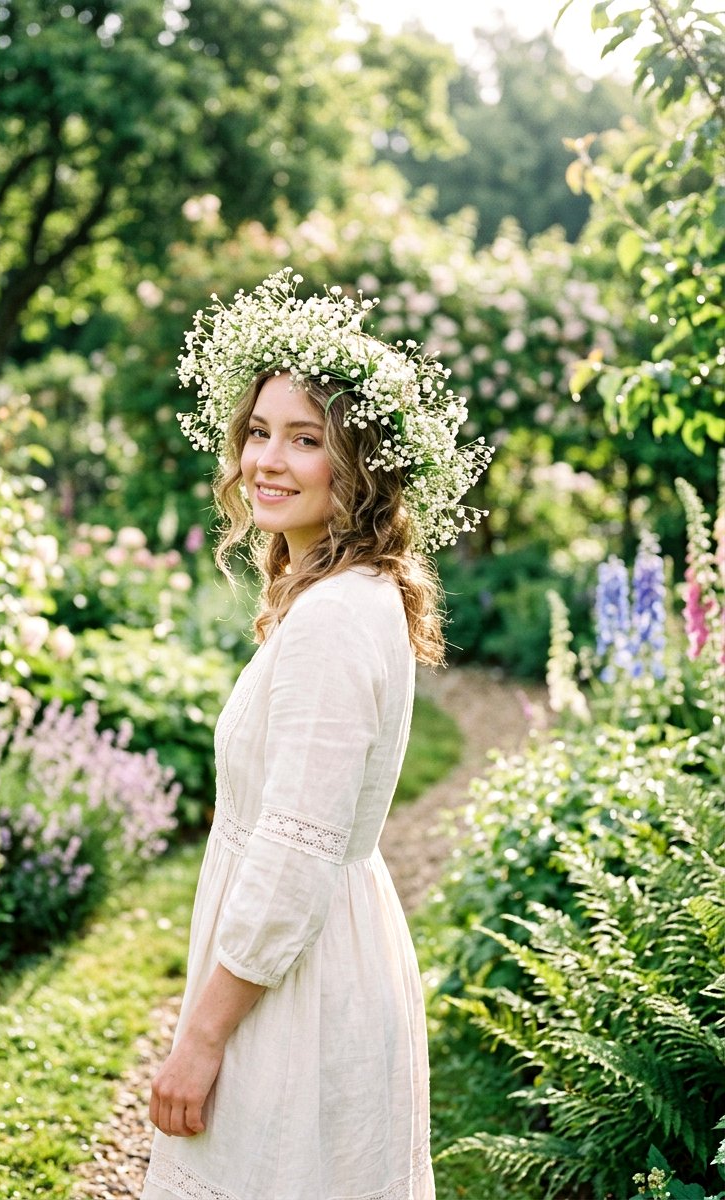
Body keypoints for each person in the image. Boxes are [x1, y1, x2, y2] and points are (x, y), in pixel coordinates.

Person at [141, 269, 491, 1200]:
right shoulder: (342, 595)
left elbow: (295, 855)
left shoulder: (336, 619)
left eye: (306, 440)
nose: (267, 459)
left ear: (361, 466)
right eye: (259, 432)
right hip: (314, 959)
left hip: (296, 988)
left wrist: (202, 1039)